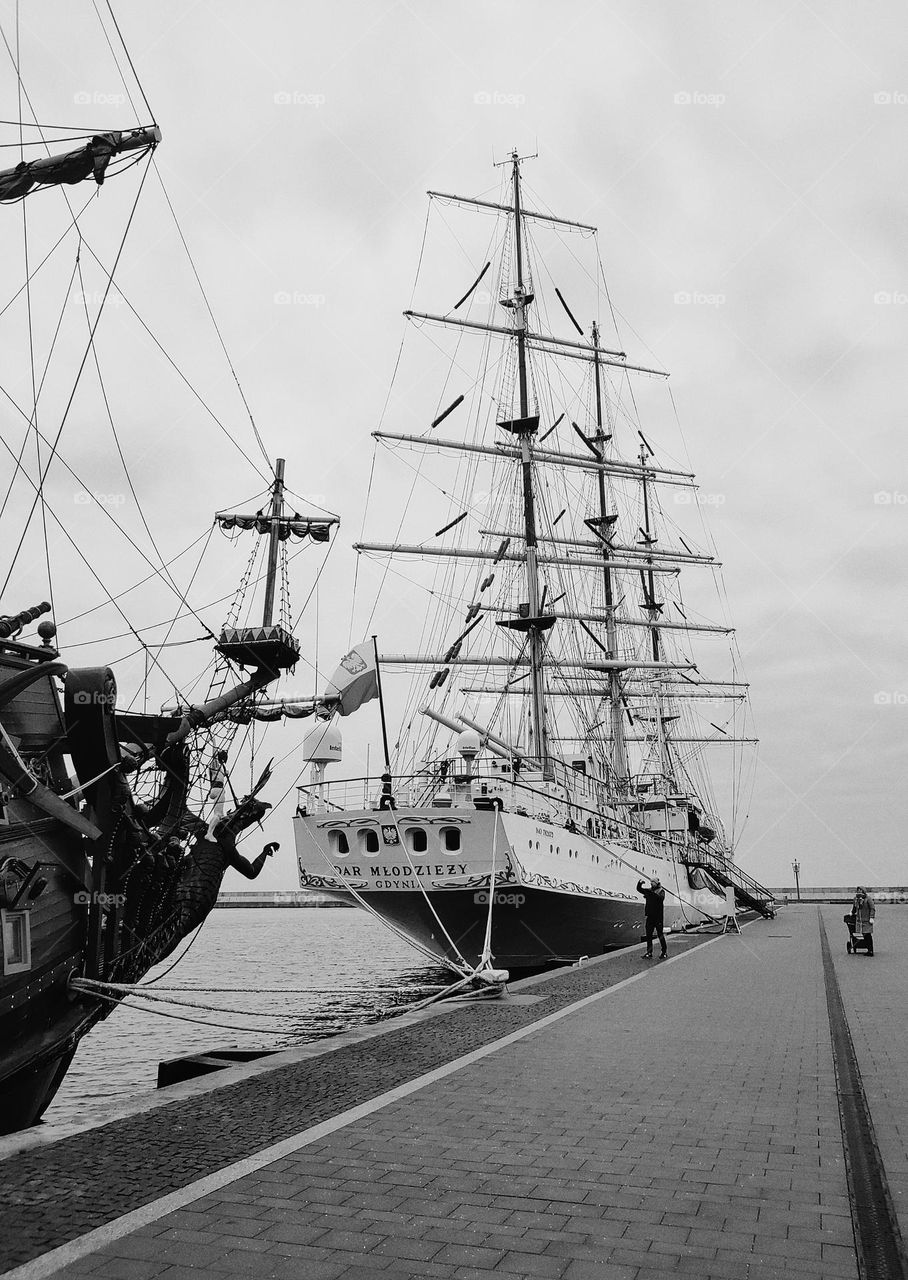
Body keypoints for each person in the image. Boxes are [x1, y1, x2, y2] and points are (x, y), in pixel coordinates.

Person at [637, 876, 667, 959]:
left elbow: (661, 899)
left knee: (660, 934)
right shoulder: (649, 891)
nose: (651, 883)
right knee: (649, 935)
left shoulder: (661, 891)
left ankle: (664, 951)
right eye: (651, 882)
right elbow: (639, 890)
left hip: (658, 917)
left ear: (656, 883)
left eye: (653, 882)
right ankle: (649, 952)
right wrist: (639, 883)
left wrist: (651, 894)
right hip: (650, 916)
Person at [852, 886, 875, 956]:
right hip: (859, 920)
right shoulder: (856, 899)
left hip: (867, 920)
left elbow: (872, 908)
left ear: (863, 891)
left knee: (868, 935)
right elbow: (854, 908)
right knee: (863, 935)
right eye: (858, 890)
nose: (859, 892)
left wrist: (871, 917)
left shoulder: (868, 899)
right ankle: (867, 948)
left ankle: (870, 950)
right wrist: (852, 913)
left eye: (860, 890)